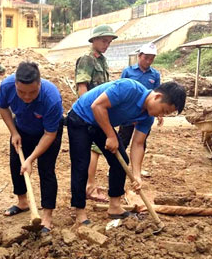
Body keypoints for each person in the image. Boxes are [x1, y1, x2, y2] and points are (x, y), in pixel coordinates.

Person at [67, 78, 186, 224]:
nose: (161, 115)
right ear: (157, 97)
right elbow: (97, 106)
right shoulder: (129, 88)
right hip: (81, 116)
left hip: (100, 122)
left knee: (120, 160)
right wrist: (111, 136)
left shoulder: (147, 117)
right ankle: (80, 212)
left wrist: (136, 175)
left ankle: (115, 206)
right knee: (81, 164)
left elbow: (138, 143)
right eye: (163, 110)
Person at [0, 62, 63, 233]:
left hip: (47, 132)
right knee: (16, 164)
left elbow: (49, 134)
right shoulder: (6, 86)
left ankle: (47, 215)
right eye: (21, 92)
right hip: (21, 127)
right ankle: (22, 202)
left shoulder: (52, 99)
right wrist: (13, 132)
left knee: (46, 169)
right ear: (15, 85)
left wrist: (31, 158)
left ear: (39, 84)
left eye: (32, 92)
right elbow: (3, 107)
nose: (27, 97)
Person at [75, 24, 117, 203]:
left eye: (108, 42)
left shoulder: (102, 60)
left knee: (96, 149)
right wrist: (88, 113)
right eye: (103, 41)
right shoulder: (87, 59)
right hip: (91, 112)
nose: (106, 44)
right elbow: (82, 86)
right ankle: (89, 186)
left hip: (100, 111)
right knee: (94, 150)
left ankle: (90, 184)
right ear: (94, 40)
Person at [119, 43, 162, 177]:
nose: (148, 61)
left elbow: (158, 95)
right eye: (146, 58)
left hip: (145, 114)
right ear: (139, 56)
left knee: (141, 141)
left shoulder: (155, 75)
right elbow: (120, 90)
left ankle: (137, 168)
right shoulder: (128, 71)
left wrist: (160, 114)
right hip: (128, 113)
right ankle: (118, 167)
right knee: (123, 140)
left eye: (151, 58)